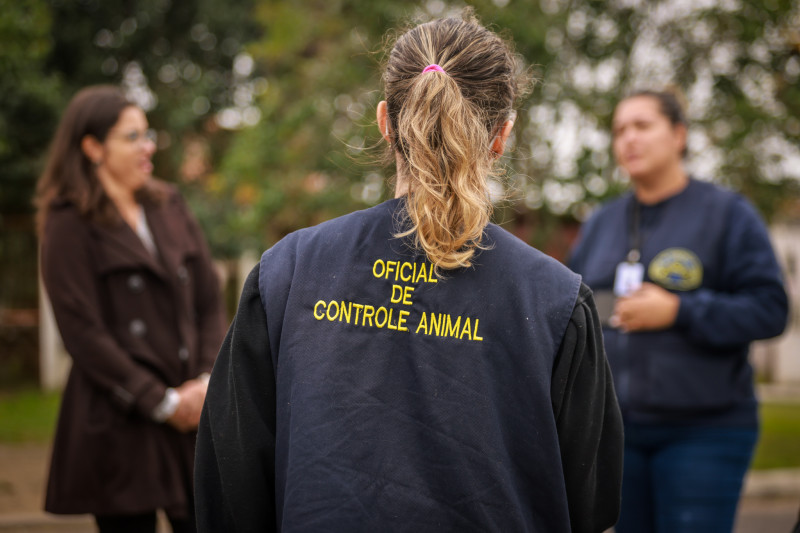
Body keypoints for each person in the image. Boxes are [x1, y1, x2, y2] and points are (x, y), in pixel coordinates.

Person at [195, 12, 623, 533]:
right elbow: (592, 501)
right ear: (502, 135)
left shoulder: (288, 271)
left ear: (384, 121)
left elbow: (228, 483)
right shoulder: (556, 300)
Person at [569, 88, 789, 533]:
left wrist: (680, 312)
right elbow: (577, 309)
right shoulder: (600, 223)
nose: (628, 138)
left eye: (642, 125)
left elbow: (770, 309)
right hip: (618, 433)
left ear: (679, 135)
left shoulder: (728, 214)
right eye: (619, 130)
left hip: (705, 431)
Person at [35, 85, 226, 533]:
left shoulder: (170, 203)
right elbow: (81, 332)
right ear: (92, 147)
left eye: (148, 134)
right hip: (121, 419)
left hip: (191, 412)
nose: (148, 146)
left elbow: (208, 300)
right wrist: (160, 401)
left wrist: (203, 382)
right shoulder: (67, 223)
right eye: (133, 136)